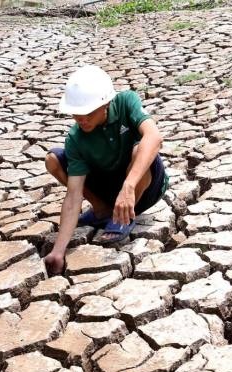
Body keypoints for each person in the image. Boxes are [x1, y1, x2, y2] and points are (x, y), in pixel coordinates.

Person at [43, 65, 167, 275]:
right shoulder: (76, 138)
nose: (82, 119)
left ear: (106, 103)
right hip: (109, 188)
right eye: (76, 113)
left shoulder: (126, 102)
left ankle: (123, 218)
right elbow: (73, 196)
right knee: (53, 159)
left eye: (88, 112)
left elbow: (154, 137)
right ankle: (102, 210)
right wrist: (58, 251)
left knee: (140, 149)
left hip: (144, 187)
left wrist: (128, 187)